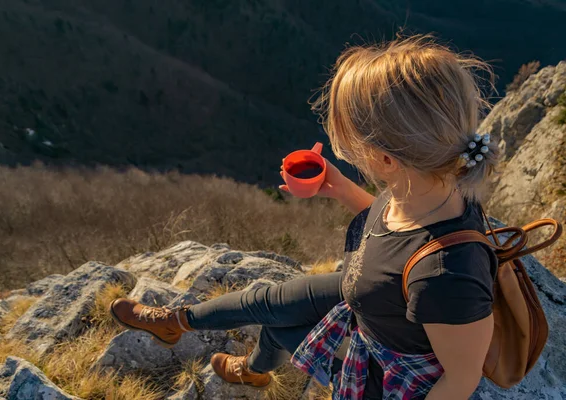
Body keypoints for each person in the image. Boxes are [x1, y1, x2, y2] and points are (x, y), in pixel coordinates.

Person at [109, 34, 499, 399]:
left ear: (386, 160)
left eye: (353, 137)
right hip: (374, 297)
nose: (346, 144)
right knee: (265, 301)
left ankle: (251, 370)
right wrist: (342, 188)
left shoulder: (448, 276)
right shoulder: (432, 182)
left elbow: (462, 378)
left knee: (278, 325)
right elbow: (402, 235)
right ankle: (173, 322)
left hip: (378, 368)